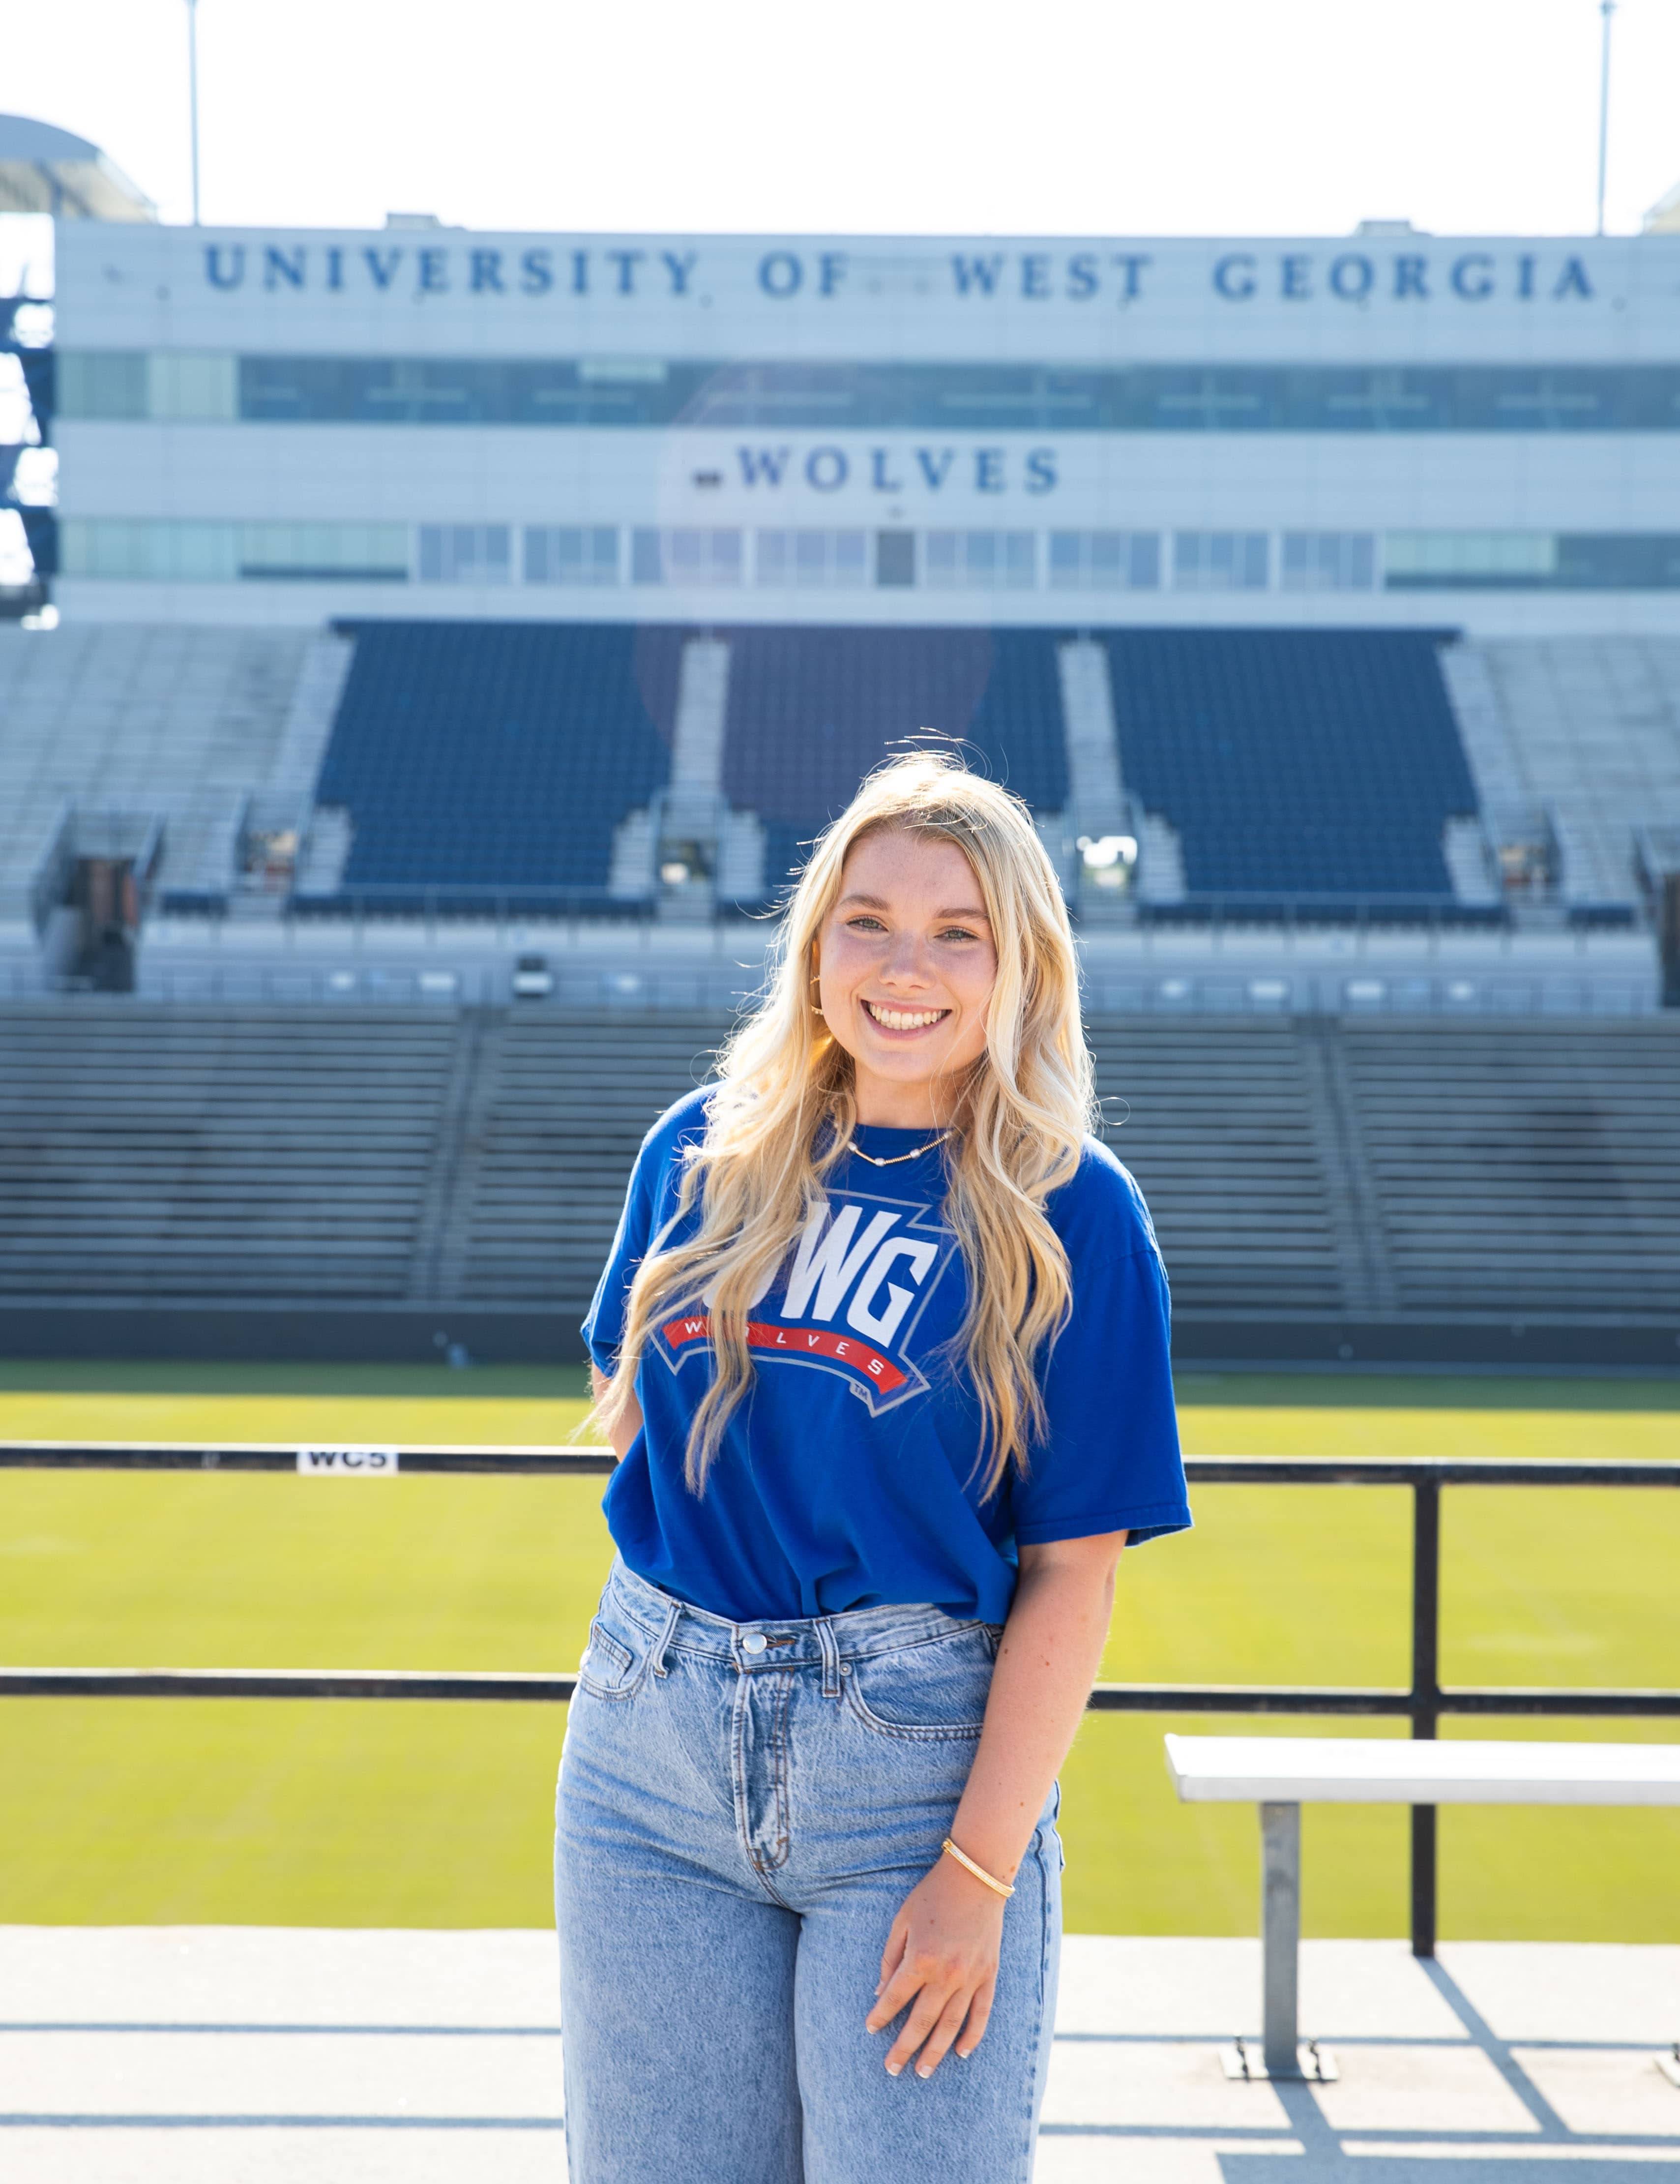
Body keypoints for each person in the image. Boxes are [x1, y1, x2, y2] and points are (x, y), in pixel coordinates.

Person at [560, 752, 1190, 2184]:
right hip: (648, 1751)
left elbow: (1073, 1574)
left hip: (910, 1779)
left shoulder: (1072, 1209)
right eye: (867, 919)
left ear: (1018, 958)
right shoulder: (698, 1150)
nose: (905, 965)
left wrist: (976, 1875)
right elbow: (625, 1396)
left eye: (956, 930)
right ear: (814, 941)